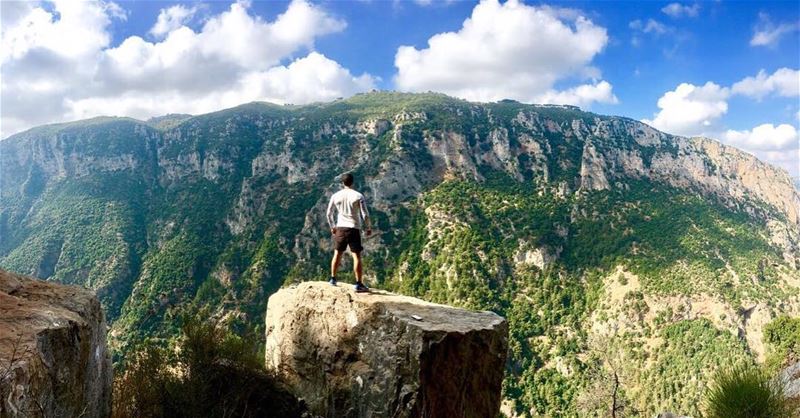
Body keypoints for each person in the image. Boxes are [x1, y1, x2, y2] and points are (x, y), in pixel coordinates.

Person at [326, 173, 372, 292]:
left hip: (340, 227)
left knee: (337, 253)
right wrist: (368, 227)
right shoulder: (358, 196)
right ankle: (358, 284)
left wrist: (333, 227)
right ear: (352, 182)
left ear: (342, 183)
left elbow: (329, 213)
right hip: (353, 228)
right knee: (356, 256)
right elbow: (365, 214)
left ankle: (333, 279)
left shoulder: (335, 196)